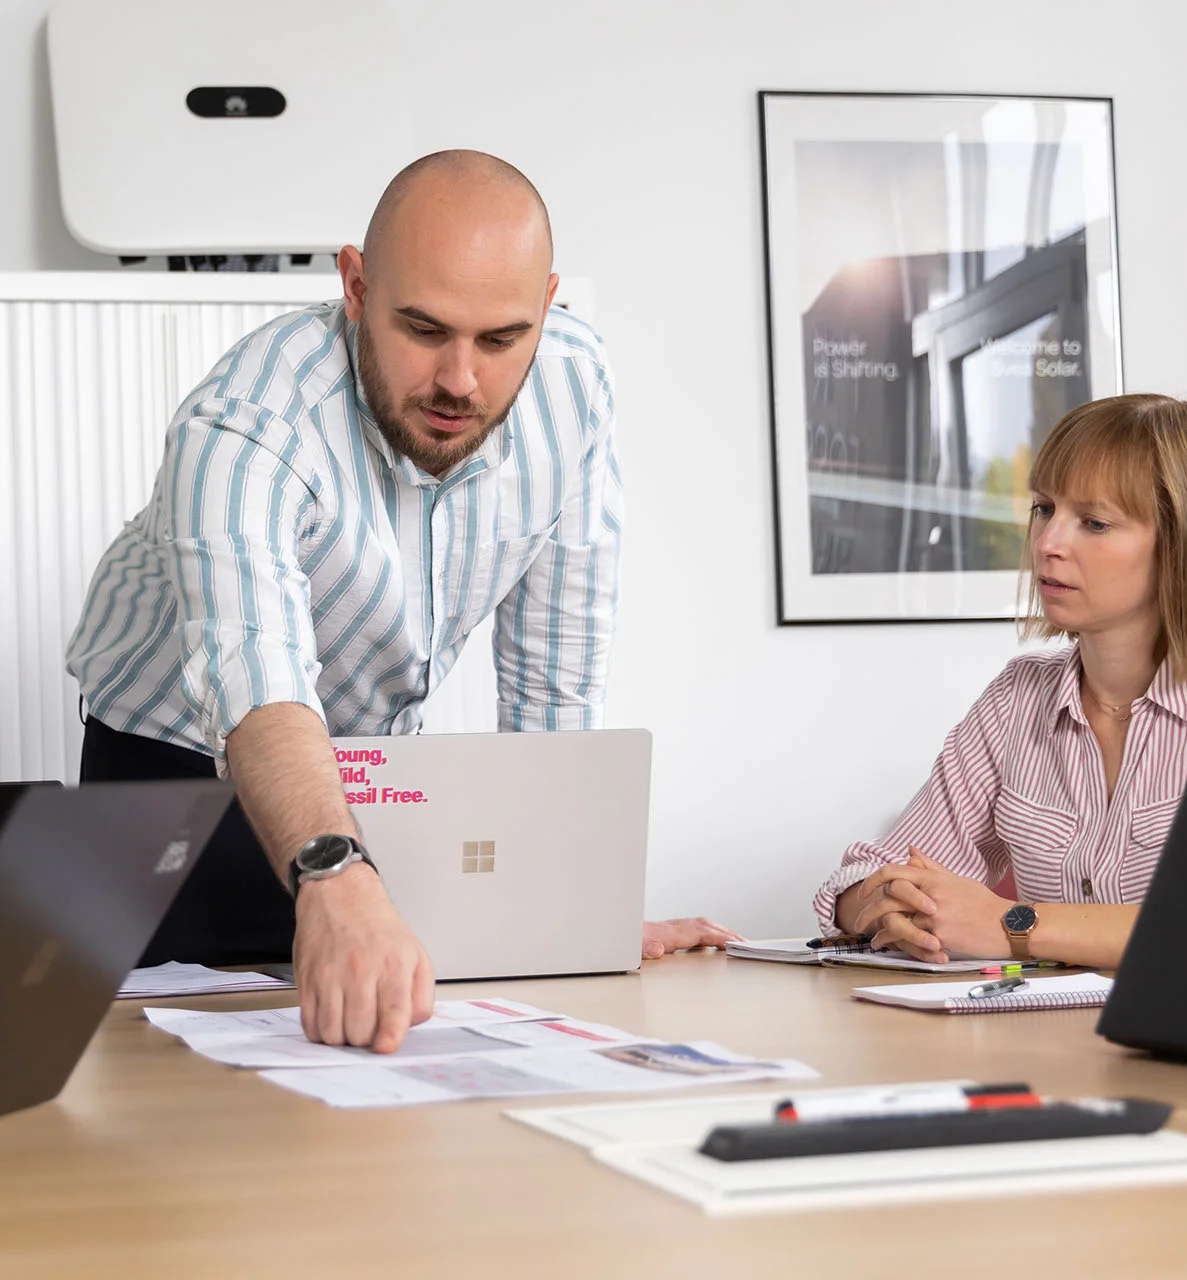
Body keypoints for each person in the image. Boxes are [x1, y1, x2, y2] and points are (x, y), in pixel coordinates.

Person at [68, 150, 736, 1055]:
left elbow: (554, 685)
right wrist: (334, 873)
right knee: (174, 1071)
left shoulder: (575, 385)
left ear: (545, 306)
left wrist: (573, 913)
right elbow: (256, 686)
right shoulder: (245, 423)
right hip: (175, 763)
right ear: (355, 285)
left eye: (502, 339)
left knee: (384, 1046)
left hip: (361, 763)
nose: (460, 380)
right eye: (423, 329)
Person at [817, 394, 1187, 967]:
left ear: (1185, 542)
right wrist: (884, 904)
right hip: (1045, 1041)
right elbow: (871, 871)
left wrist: (1011, 925)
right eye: (1044, 509)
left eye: (1094, 523)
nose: (1049, 543)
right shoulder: (1018, 697)